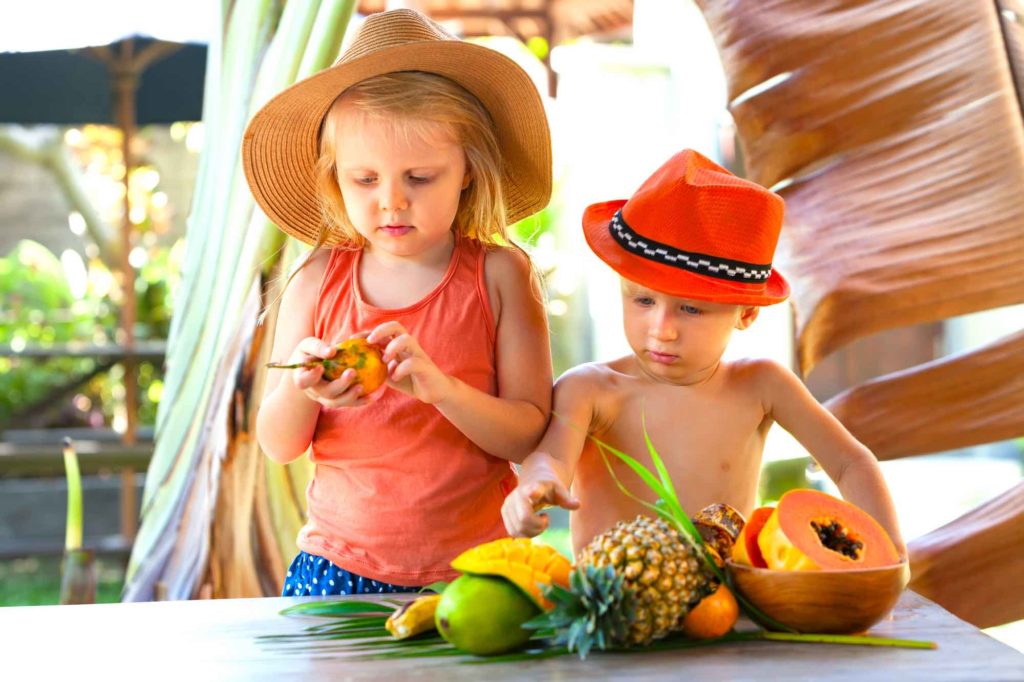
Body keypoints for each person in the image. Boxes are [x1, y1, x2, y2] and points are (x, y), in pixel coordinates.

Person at [243, 9, 554, 596]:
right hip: (337, 567)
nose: (392, 202)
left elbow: (527, 435)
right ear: (335, 179)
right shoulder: (315, 281)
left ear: (467, 171)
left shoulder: (499, 275)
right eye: (365, 180)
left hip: (480, 570)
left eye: (420, 177)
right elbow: (279, 445)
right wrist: (301, 386)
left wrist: (441, 388)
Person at [501, 149, 906, 558]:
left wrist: (891, 560)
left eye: (690, 309)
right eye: (643, 301)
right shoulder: (589, 389)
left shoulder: (763, 385)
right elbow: (551, 458)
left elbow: (850, 463)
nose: (662, 329)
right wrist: (533, 487)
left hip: (727, 608)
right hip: (616, 611)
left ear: (746, 313)